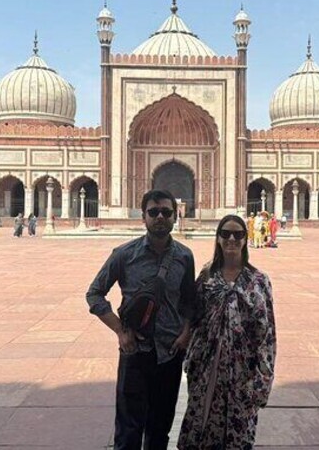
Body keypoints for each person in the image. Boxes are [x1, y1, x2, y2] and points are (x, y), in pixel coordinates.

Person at [86, 190, 196, 450]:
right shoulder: (125, 254)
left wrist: (186, 333)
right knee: (128, 431)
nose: (160, 217)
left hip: (169, 352)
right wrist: (120, 331)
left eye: (166, 212)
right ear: (143, 217)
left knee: (159, 430)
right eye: (154, 212)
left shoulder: (184, 256)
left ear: (175, 216)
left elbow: (189, 301)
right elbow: (94, 294)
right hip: (135, 351)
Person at [177, 215, 276, 449]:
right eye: (226, 234)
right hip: (207, 368)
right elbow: (193, 315)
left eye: (238, 234)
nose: (232, 239)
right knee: (202, 426)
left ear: (245, 238)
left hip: (243, 372)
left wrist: (263, 378)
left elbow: (267, 335)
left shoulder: (259, 281)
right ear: (218, 238)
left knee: (239, 432)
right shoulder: (207, 276)